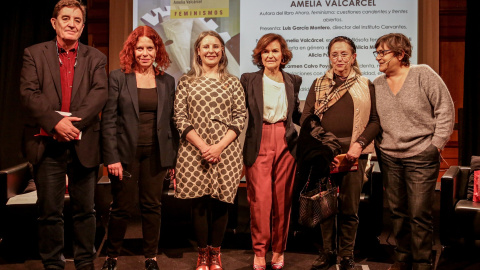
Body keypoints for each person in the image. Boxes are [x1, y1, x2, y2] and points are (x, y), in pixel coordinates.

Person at [18, 0, 107, 269]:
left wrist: (72, 127)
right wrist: (56, 124)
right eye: (66, 18)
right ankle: (53, 265)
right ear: (54, 23)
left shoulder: (96, 58)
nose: (71, 23)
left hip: (84, 143)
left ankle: (84, 263)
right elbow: (29, 94)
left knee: (86, 211)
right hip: (47, 143)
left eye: (77, 20)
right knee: (49, 213)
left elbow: (99, 94)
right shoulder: (33, 53)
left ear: (82, 25)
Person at [373, 33, 454, 270]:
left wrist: (435, 145)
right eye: (377, 52)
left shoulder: (423, 74)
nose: (378, 57)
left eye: (383, 52)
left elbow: (445, 109)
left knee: (419, 212)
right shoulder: (377, 84)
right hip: (389, 156)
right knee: (397, 211)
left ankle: (421, 261)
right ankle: (403, 256)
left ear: (401, 54)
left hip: (421, 154)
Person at [100, 25, 177, 270]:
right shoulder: (118, 77)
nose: (144, 53)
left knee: (152, 206)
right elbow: (109, 119)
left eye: (149, 48)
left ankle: (150, 257)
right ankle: (111, 256)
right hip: (125, 155)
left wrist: (172, 159)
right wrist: (111, 157)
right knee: (122, 207)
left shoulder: (167, 81)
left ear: (157, 51)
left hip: (156, 154)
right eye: (139, 48)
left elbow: (171, 123)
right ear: (132, 51)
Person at [300, 36, 380, 270]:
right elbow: (307, 118)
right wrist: (324, 146)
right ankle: (327, 252)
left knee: (349, 208)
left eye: (344, 54)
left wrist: (360, 144)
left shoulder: (366, 85)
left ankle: (346, 255)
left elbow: (374, 121)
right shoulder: (318, 84)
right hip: (325, 154)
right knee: (325, 205)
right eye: (334, 54)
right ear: (329, 58)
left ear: (354, 57)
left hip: (355, 153)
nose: (339, 59)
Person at [173, 30, 246, 270]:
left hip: (226, 152)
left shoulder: (232, 82)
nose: (211, 50)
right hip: (194, 152)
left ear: (222, 50)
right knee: (200, 205)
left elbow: (240, 117)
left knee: (222, 203)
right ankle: (202, 254)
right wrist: (205, 147)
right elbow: (180, 118)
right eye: (206, 47)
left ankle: (216, 254)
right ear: (198, 52)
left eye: (216, 46)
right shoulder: (186, 81)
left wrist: (219, 147)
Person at [241, 33, 302, 270]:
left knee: (283, 201)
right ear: (259, 55)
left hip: (286, 142)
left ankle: (278, 251)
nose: (270, 55)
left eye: (275, 51)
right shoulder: (248, 79)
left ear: (283, 55)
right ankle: (259, 251)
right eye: (265, 51)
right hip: (259, 140)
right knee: (260, 201)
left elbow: (296, 114)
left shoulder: (293, 80)